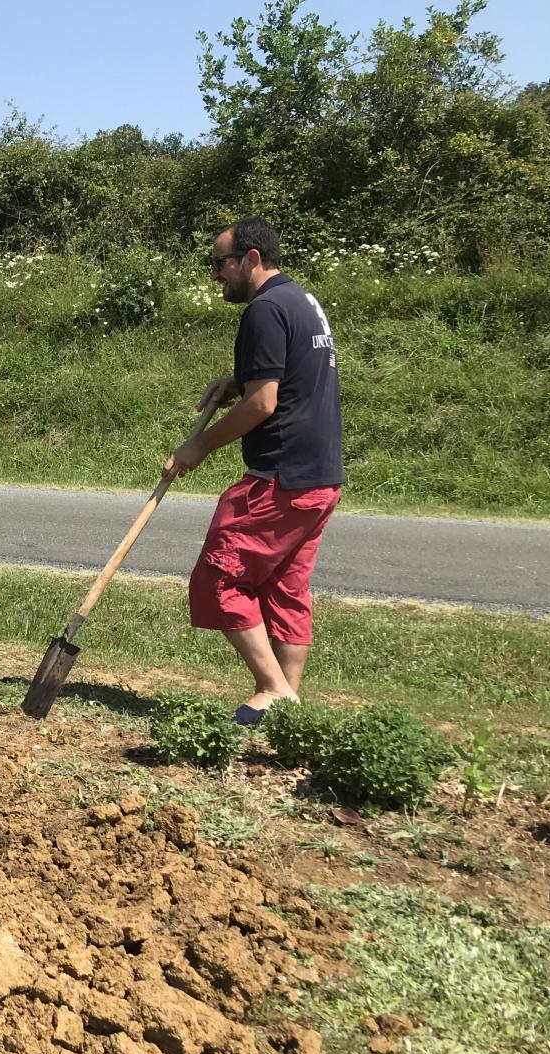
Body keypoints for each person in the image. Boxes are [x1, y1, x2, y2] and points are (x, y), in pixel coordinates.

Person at [162, 216, 344, 726]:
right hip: (320, 476)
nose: (214, 275)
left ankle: (272, 690)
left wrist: (199, 444)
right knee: (285, 588)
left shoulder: (263, 310)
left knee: (218, 576)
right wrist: (236, 382)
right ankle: (287, 710)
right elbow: (281, 381)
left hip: (279, 477)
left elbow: (264, 404)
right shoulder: (301, 301)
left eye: (219, 263)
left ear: (251, 259)